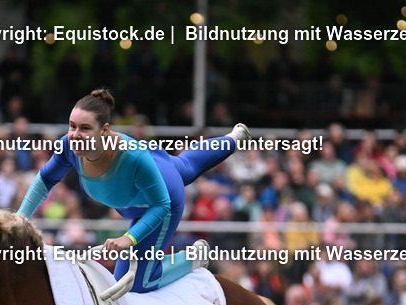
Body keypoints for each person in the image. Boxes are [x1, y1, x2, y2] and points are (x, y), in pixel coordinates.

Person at [17, 89, 249, 293]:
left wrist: (129, 238)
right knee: (185, 166)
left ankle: (193, 257)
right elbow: (45, 179)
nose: (75, 134)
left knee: (137, 284)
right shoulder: (69, 146)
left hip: (162, 200)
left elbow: (161, 205)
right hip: (141, 189)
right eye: (72, 126)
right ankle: (233, 139)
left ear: (104, 130)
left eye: (85, 128)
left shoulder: (132, 158)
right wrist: (20, 219)